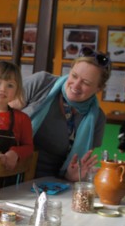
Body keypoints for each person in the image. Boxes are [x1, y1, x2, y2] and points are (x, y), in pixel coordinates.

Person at [10, 47, 111, 181]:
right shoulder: (42, 83)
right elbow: (2, 114)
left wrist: (72, 175)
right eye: (74, 76)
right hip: (10, 172)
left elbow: (77, 165)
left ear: (99, 88)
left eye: (86, 82)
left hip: (51, 184)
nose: (76, 85)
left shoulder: (97, 118)